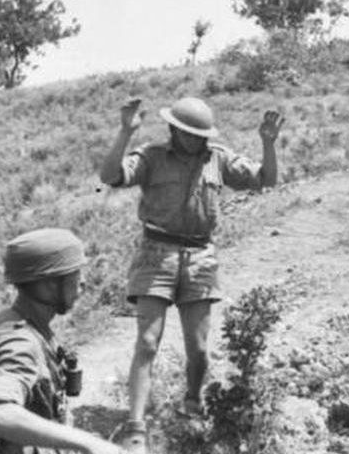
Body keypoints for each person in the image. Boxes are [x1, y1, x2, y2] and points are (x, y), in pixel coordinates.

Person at [98, 96, 283, 453]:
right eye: (190, 134)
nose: (197, 140)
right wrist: (125, 132)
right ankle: (135, 425)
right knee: (148, 341)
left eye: (202, 134)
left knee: (198, 348)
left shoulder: (218, 158)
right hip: (156, 252)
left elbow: (265, 180)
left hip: (200, 255)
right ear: (175, 130)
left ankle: (193, 403)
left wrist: (268, 144)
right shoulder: (152, 156)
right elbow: (110, 176)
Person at [0, 228, 123, 454]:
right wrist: (89, 443)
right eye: (75, 274)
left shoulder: (11, 319)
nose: (83, 282)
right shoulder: (19, 340)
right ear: (49, 284)